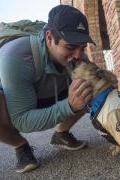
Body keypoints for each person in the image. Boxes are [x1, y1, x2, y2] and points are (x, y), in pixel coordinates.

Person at [0, 5, 96, 173]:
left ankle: (61, 134)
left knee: (92, 84)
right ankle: (21, 146)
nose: (78, 55)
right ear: (50, 37)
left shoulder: (78, 56)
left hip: (50, 93)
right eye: (70, 47)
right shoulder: (14, 57)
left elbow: (99, 88)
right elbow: (22, 121)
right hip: (15, 104)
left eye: (82, 47)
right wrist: (70, 106)